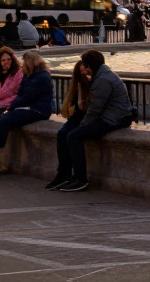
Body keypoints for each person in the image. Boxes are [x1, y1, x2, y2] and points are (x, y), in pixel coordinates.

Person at [49, 50, 135, 192]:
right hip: (114, 116)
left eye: (85, 64)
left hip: (113, 119)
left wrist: (83, 125)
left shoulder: (102, 80)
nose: (83, 67)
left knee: (74, 136)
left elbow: (95, 109)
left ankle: (80, 178)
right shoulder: (104, 75)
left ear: (90, 65)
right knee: (69, 134)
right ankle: (67, 175)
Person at [0, 50, 53, 171]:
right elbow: (20, 94)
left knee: (4, 120)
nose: (22, 65)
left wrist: (10, 108)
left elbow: (27, 97)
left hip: (38, 110)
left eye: (24, 63)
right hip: (27, 107)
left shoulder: (41, 77)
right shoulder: (28, 75)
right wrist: (13, 106)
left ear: (30, 63)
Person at [47, 61, 92, 188]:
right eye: (81, 72)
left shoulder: (93, 84)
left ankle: (78, 177)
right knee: (61, 134)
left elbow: (86, 109)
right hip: (76, 118)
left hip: (85, 119)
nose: (83, 74)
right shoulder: (77, 86)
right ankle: (63, 174)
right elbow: (73, 109)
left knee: (71, 136)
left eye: (85, 71)